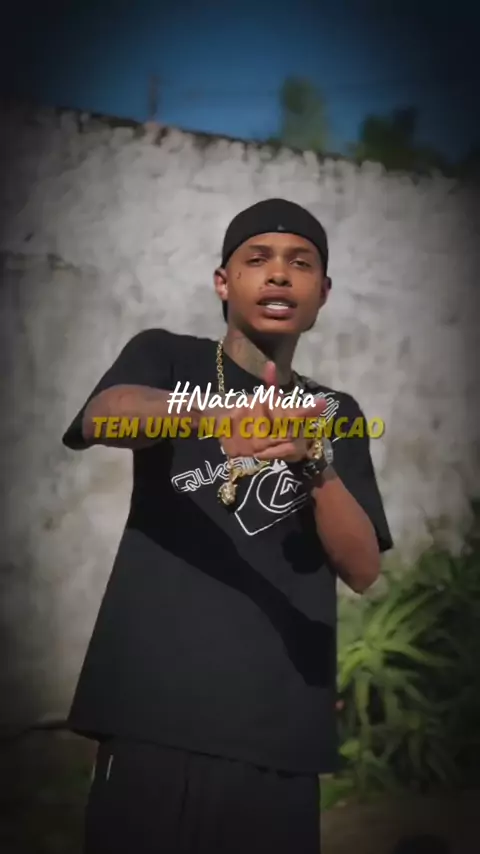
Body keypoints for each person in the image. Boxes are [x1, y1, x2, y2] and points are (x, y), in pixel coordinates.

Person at [62, 198, 393, 854]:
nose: (279, 274)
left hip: (280, 730)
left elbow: (362, 568)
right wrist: (215, 415)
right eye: (258, 258)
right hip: (154, 711)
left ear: (323, 293)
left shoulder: (336, 412)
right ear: (223, 281)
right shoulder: (168, 357)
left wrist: (314, 463)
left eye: (300, 263)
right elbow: (104, 416)